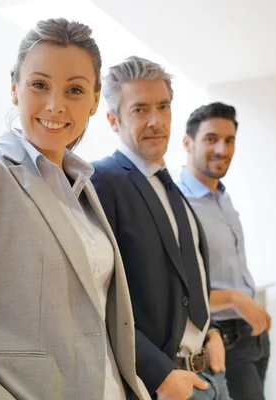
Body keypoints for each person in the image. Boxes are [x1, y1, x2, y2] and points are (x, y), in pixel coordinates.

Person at [0, 18, 149, 400]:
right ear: (15, 88)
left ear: (93, 101)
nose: (56, 104)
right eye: (39, 84)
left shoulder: (85, 189)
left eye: (74, 90)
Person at [91, 56, 230, 400]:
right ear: (113, 119)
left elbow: (189, 278)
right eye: (139, 110)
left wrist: (211, 334)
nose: (156, 121)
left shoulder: (174, 188)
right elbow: (98, 300)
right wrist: (161, 375)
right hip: (163, 387)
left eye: (163, 106)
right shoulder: (101, 181)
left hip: (209, 374)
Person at [177, 102, 271, 400]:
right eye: (211, 139)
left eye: (229, 140)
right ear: (187, 143)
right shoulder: (178, 206)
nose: (222, 148)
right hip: (220, 335)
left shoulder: (223, 197)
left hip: (253, 334)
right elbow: (179, 291)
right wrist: (233, 297)